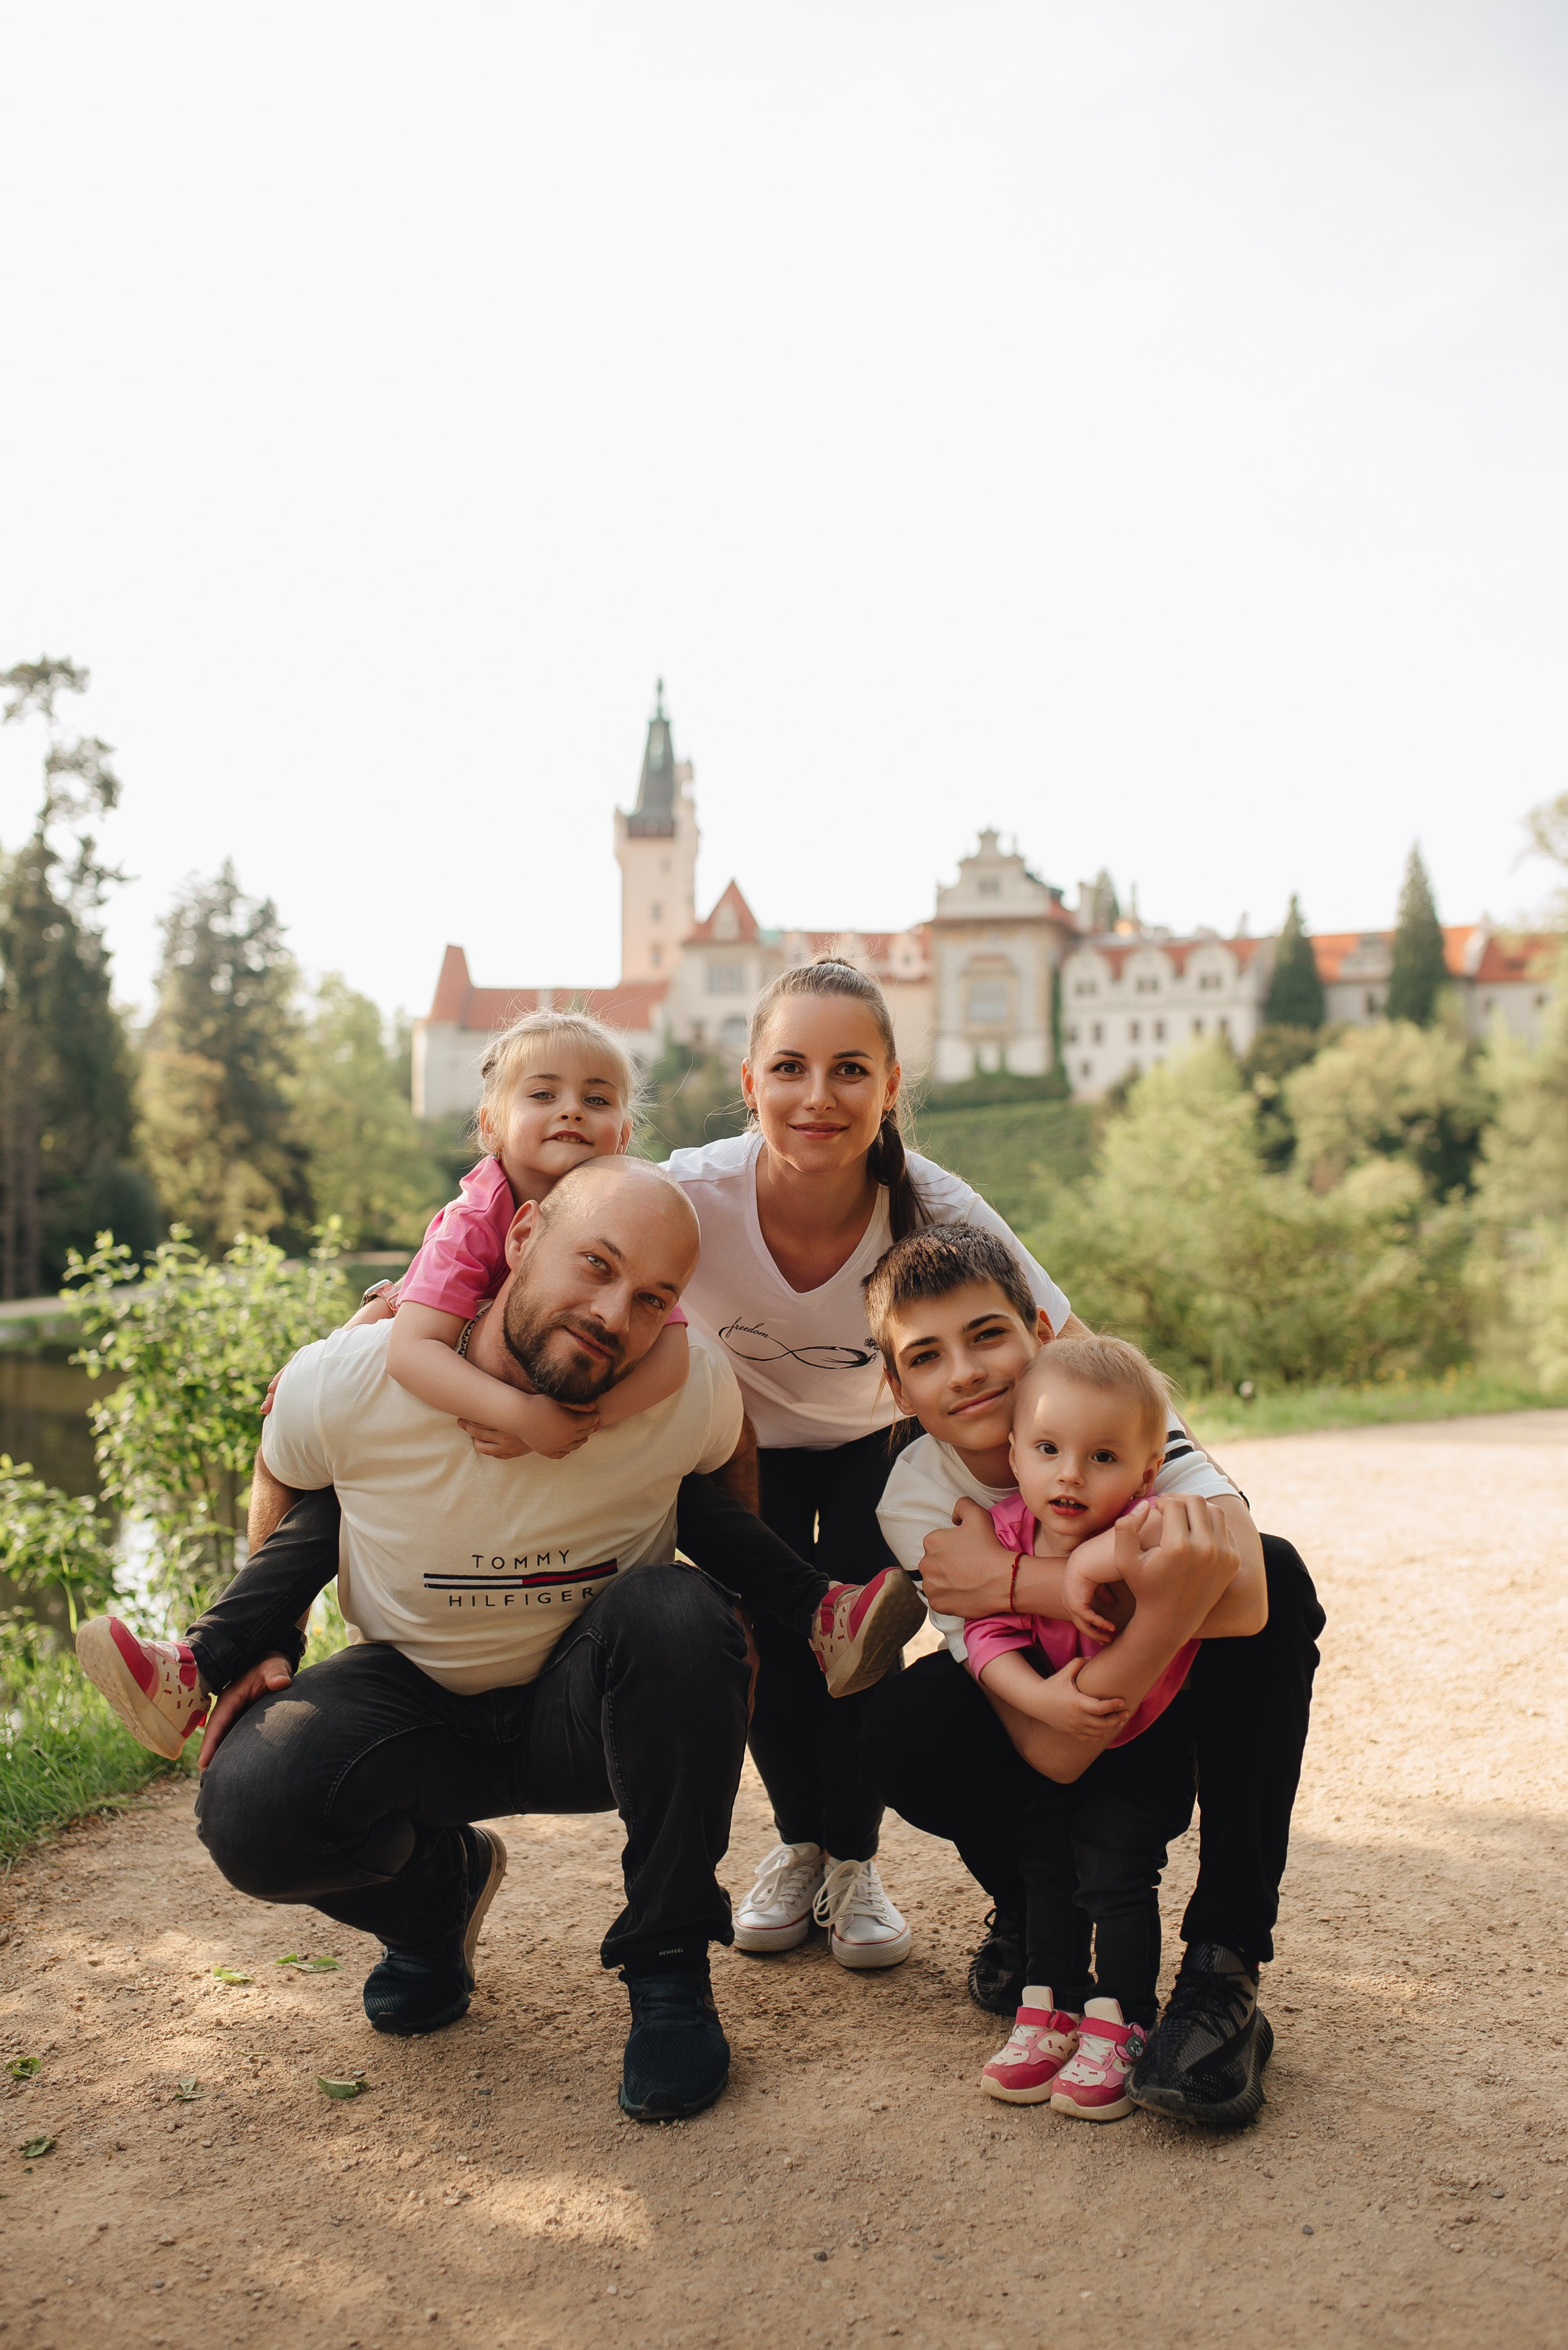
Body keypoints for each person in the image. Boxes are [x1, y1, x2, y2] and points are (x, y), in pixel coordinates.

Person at [88, 1158, 783, 2124]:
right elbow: (281, 1461)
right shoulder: (355, 1379)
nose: (615, 1312)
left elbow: (729, 1444)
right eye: (595, 1263)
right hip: (414, 1709)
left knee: (680, 1612)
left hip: (589, 1718)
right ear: (523, 1234)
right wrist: (266, 1641)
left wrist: (742, 1619)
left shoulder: (678, 1385)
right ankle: (433, 1909)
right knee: (252, 1803)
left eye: (651, 1297)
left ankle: (669, 1972)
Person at [77, 1013, 908, 1761]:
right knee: (325, 1511)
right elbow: (411, 1349)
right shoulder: (476, 1212)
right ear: (490, 1124)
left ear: (627, 1127)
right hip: (459, 1419)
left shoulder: (634, 1212)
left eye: (597, 1096)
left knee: (684, 1494)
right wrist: (504, 1407)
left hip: (565, 1425)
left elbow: (673, 1358)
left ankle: (819, 1612)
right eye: (542, 1093)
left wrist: (582, 1416)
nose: (571, 1111)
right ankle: (197, 1662)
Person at [864, 1224, 1324, 2128]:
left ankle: (1223, 1968)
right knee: (906, 1722)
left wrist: (1014, 1580)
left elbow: (1251, 1599)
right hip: (1050, 1720)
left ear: (1043, 1330)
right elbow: (1054, 1749)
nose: (965, 1373)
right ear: (898, 1387)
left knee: (1281, 1569)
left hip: (1166, 1708)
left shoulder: (1121, 1412)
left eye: (988, 1335)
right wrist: (1132, 1596)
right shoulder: (918, 1493)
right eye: (927, 1355)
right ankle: (1038, 1921)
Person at [663, 958, 1071, 1971]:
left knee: (858, 1627)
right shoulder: (687, 1193)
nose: (818, 1097)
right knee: (762, 1630)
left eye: (850, 1070)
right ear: (750, 1081)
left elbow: (1064, 1342)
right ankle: (801, 1843)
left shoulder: (933, 1204)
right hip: (742, 1441)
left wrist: (1186, 1476)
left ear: (890, 1087)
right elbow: (547, 1243)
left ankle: (854, 1860)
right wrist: (398, 1305)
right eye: (790, 1068)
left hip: (875, 1437)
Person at [952, 1332, 1265, 2119]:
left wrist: (1090, 1566)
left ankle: (1121, 2015)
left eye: (1100, 1457)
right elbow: (986, 1635)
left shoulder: (1152, 1526)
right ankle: (1049, 2003)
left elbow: (1213, 1582)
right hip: (1055, 1719)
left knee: (1115, 1872)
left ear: (1144, 1469)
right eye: (1049, 1448)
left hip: (1144, 1740)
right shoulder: (1003, 1530)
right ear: (1014, 1452)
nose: (1068, 1473)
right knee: (1045, 1861)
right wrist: (1041, 1697)